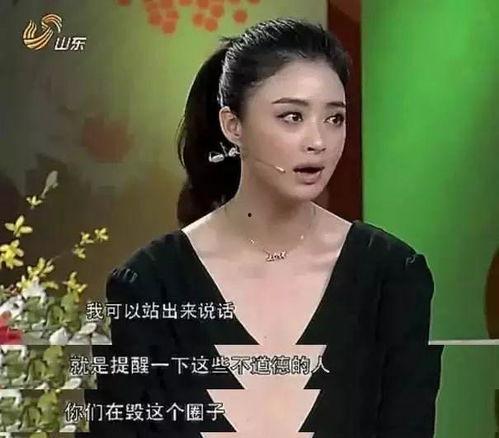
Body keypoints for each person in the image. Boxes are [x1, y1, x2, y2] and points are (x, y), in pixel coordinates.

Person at [82, 17, 443, 437]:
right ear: (233, 125)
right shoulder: (150, 284)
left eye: (334, 119)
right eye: (292, 117)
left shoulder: (391, 275)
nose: (318, 142)